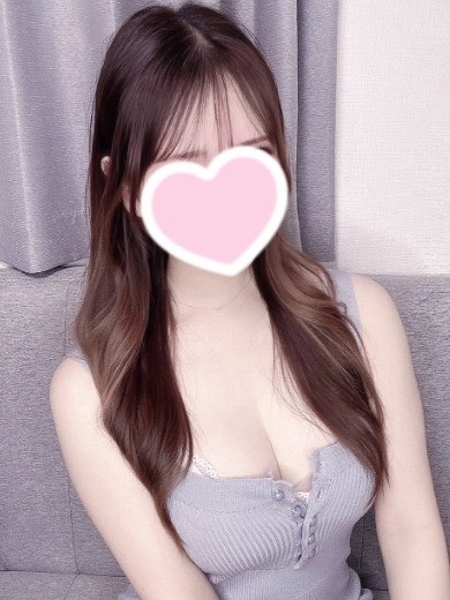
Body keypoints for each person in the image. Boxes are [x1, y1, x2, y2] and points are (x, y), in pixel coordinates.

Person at [49, 2, 450, 600]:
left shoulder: (362, 315)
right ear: (126, 186)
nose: (224, 189)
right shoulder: (91, 390)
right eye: (184, 163)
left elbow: (412, 529)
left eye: (252, 154)